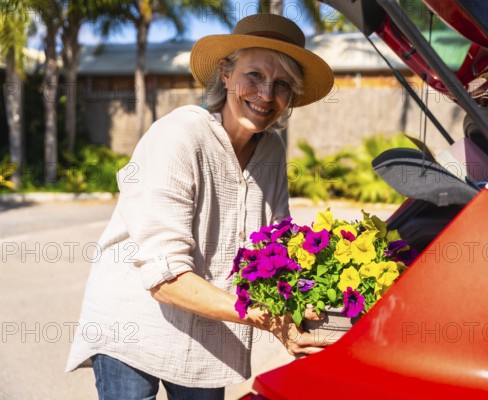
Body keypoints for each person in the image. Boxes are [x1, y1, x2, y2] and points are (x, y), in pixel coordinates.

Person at [65, 13, 334, 400]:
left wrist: (306, 303)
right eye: (254, 75)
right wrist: (271, 318)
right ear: (225, 73)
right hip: (136, 322)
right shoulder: (181, 134)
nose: (265, 93)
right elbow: (165, 277)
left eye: (282, 85)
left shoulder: (271, 150)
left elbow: (278, 246)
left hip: (210, 329)